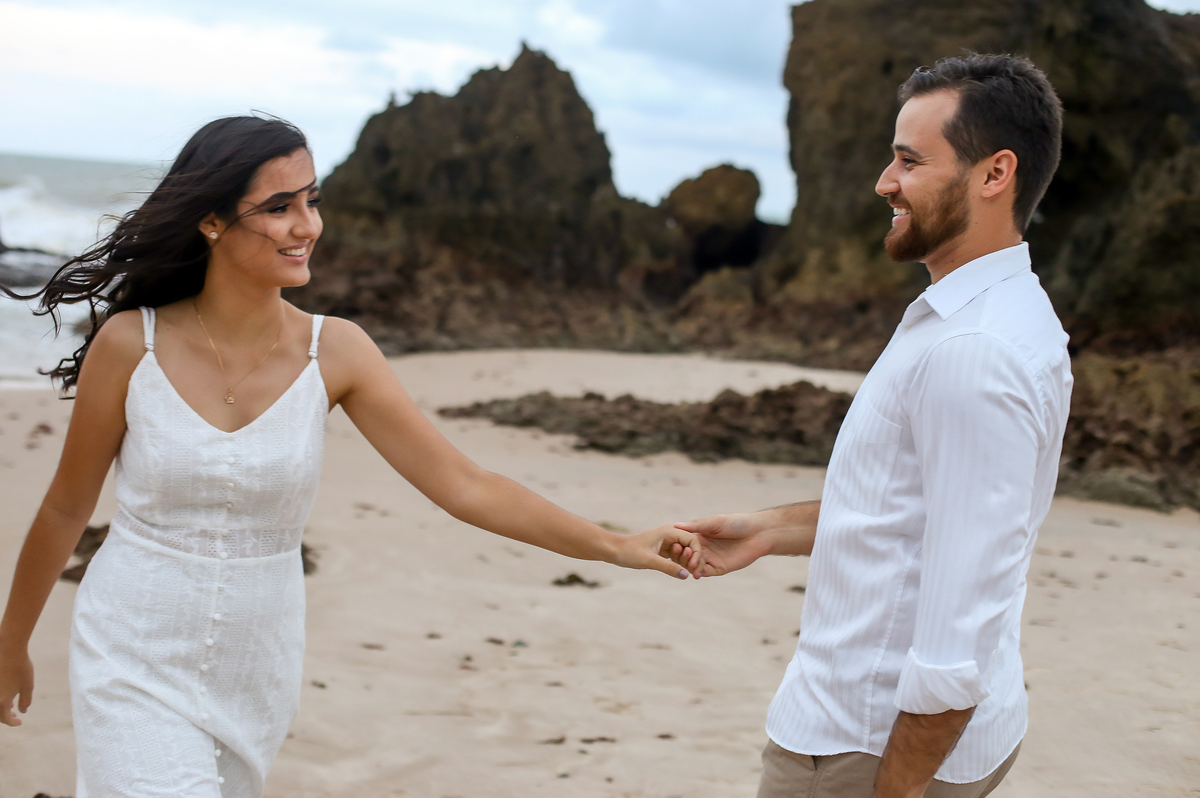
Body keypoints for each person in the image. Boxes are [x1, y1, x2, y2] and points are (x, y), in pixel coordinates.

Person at [0, 115, 702, 797]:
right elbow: (66, 506)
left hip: (257, 663)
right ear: (211, 221)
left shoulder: (335, 351)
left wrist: (614, 545)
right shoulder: (133, 343)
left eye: (312, 200)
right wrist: (12, 641)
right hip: (131, 645)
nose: (308, 225)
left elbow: (464, 484)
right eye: (279, 207)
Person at [671, 54, 1071, 798]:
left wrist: (896, 788)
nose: (885, 182)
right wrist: (769, 530)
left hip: (862, 745)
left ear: (995, 174)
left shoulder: (972, 350)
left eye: (910, 161)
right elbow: (914, 510)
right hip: (907, 733)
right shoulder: (989, 316)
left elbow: (957, 633)